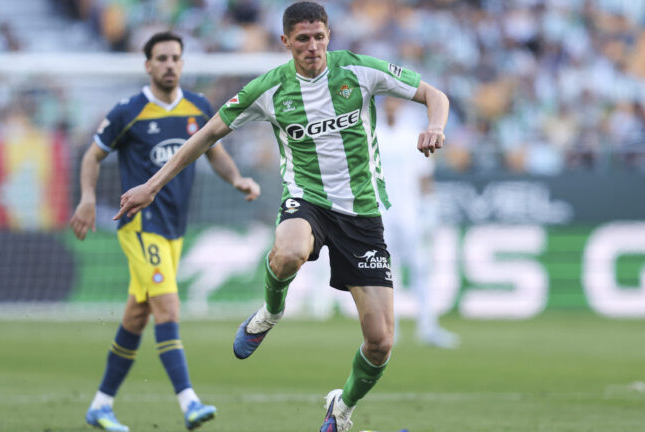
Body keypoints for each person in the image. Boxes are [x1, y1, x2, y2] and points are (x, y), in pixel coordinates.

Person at [114, 3, 448, 431]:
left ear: (329, 36)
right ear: (286, 41)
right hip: (307, 199)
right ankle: (270, 313)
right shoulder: (270, 88)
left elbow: (435, 95)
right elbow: (207, 134)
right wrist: (152, 185)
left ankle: (341, 409)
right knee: (289, 252)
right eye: (303, 39)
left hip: (361, 213)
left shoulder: (360, 71)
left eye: (319, 37)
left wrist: (436, 125)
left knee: (380, 342)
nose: (313, 46)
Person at [70, 31, 260, 432]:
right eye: (162, 58)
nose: (170, 65)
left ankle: (101, 405)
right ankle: (189, 401)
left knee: (137, 315)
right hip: (140, 225)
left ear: (182, 63)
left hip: (174, 229)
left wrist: (238, 179)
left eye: (175, 58)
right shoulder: (128, 111)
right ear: (148, 65)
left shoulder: (198, 106)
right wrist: (87, 198)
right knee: (168, 309)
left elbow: (216, 152)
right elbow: (92, 155)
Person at [376, 97, 459, 349]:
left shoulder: (412, 133)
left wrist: (429, 209)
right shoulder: (373, 133)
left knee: (421, 268)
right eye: (387, 101)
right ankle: (391, 329)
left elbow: (424, 176)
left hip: (409, 212)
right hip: (381, 213)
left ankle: (428, 326)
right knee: (386, 273)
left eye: (395, 101)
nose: (391, 106)